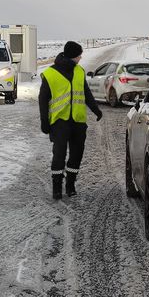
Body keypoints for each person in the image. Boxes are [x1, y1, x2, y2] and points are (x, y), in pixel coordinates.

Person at [39, 41, 103, 199]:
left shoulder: (79, 71)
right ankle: (56, 188)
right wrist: (45, 122)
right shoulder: (50, 73)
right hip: (60, 121)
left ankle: (70, 185)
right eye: (79, 55)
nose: (81, 57)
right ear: (73, 55)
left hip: (78, 122)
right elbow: (43, 99)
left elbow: (86, 94)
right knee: (59, 154)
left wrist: (96, 110)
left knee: (77, 154)